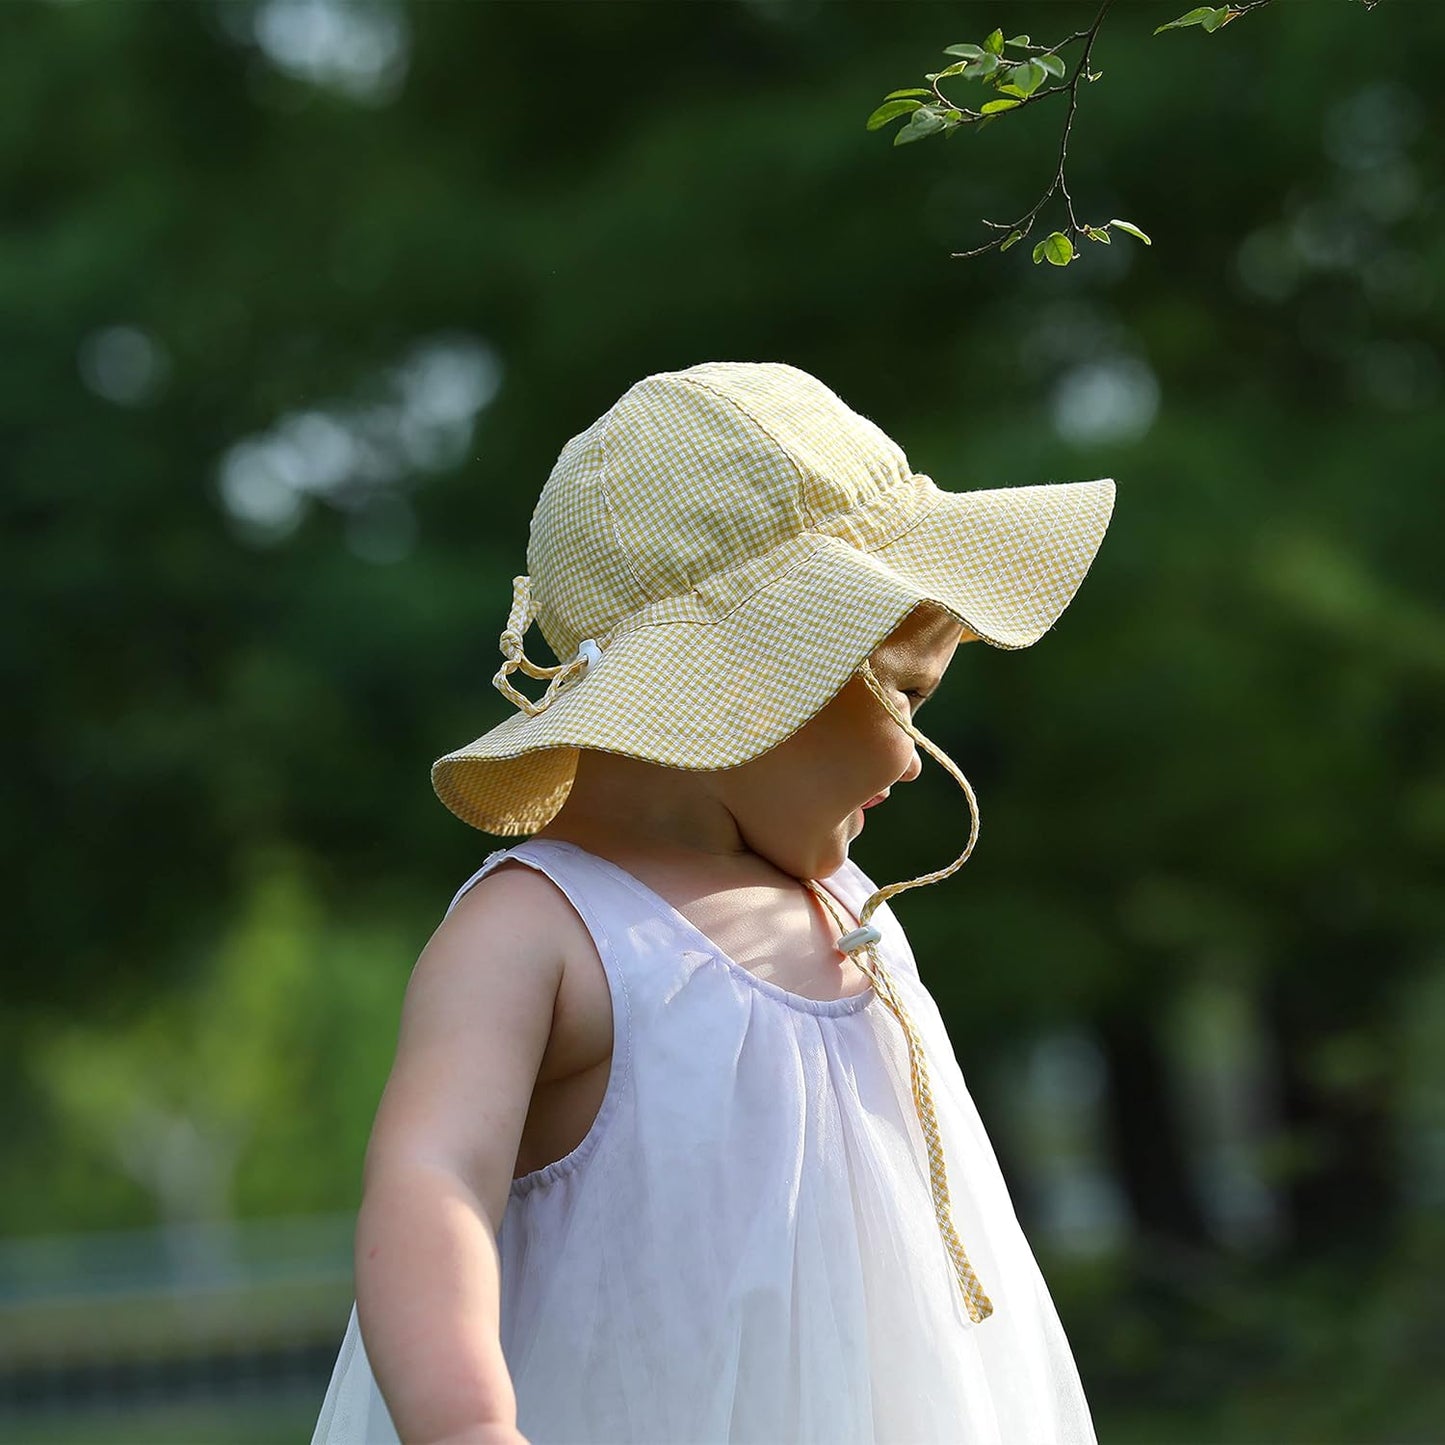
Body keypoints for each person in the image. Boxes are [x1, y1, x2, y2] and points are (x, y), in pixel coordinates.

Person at [311, 361, 1116, 1445]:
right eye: (906, 695)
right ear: (758, 678)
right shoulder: (543, 929)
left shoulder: (842, 905)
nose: (917, 760)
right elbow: (433, 1173)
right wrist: (462, 1423)